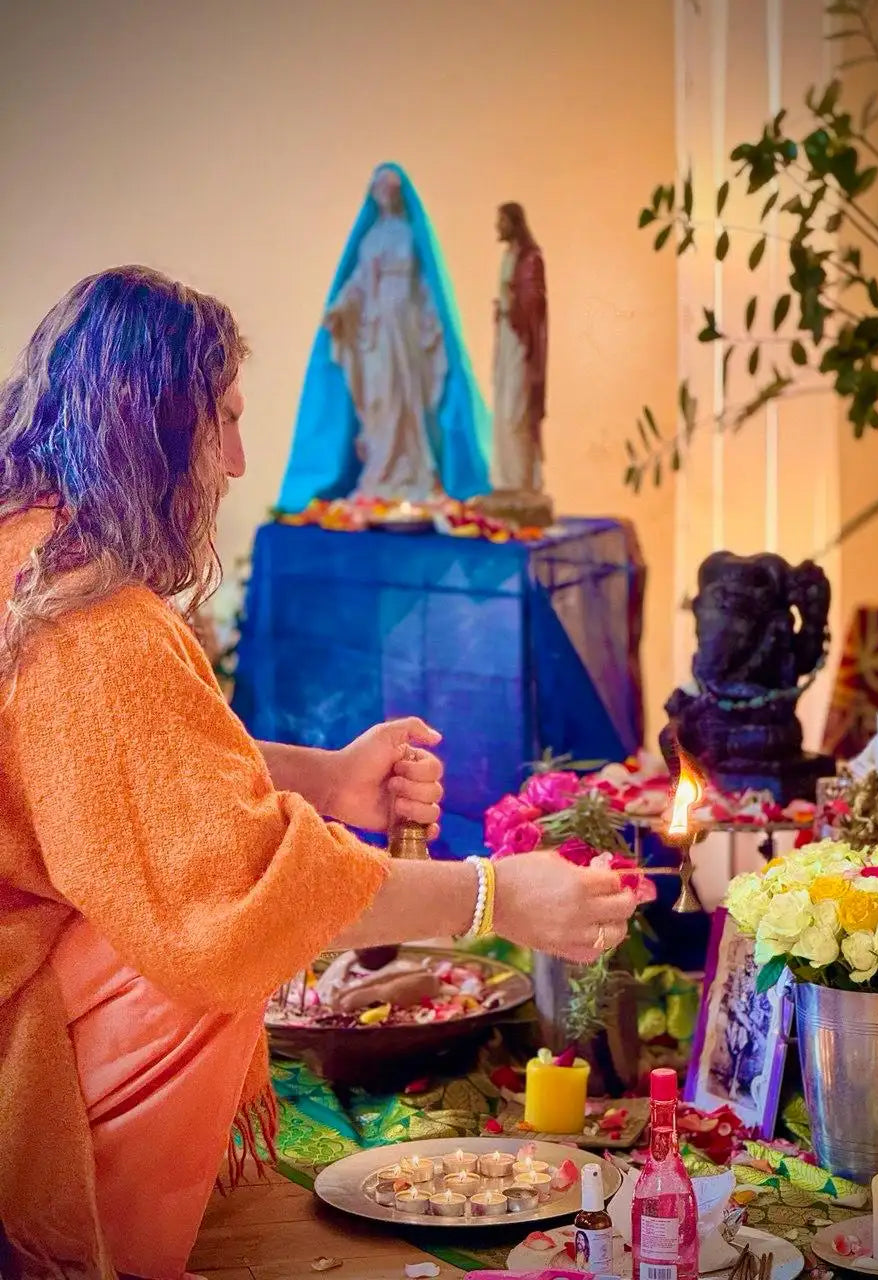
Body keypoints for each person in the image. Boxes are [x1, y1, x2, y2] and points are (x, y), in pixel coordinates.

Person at [0, 266, 640, 1280]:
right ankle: (90, 1255)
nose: (242, 459)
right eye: (224, 421)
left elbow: (124, 769)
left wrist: (329, 779)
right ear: (155, 421)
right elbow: (237, 886)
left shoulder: (27, 552)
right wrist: (498, 893)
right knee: (214, 940)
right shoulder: (91, 621)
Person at [278, 163, 491, 509]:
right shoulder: (371, 238)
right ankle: (381, 470)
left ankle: (412, 468)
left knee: (408, 397)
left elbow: (426, 287)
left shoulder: (409, 235)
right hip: (375, 329)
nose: (386, 195)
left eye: (391, 189)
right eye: (381, 189)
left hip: (405, 325)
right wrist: (341, 309)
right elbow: (358, 285)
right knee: (379, 398)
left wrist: (433, 323)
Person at [490, 202, 547, 493]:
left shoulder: (531, 259)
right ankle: (505, 480)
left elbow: (533, 304)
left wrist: (512, 305)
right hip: (506, 338)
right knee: (502, 407)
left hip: (521, 344)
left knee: (517, 410)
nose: (497, 227)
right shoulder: (508, 256)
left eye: (501, 221)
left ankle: (522, 482)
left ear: (514, 223)